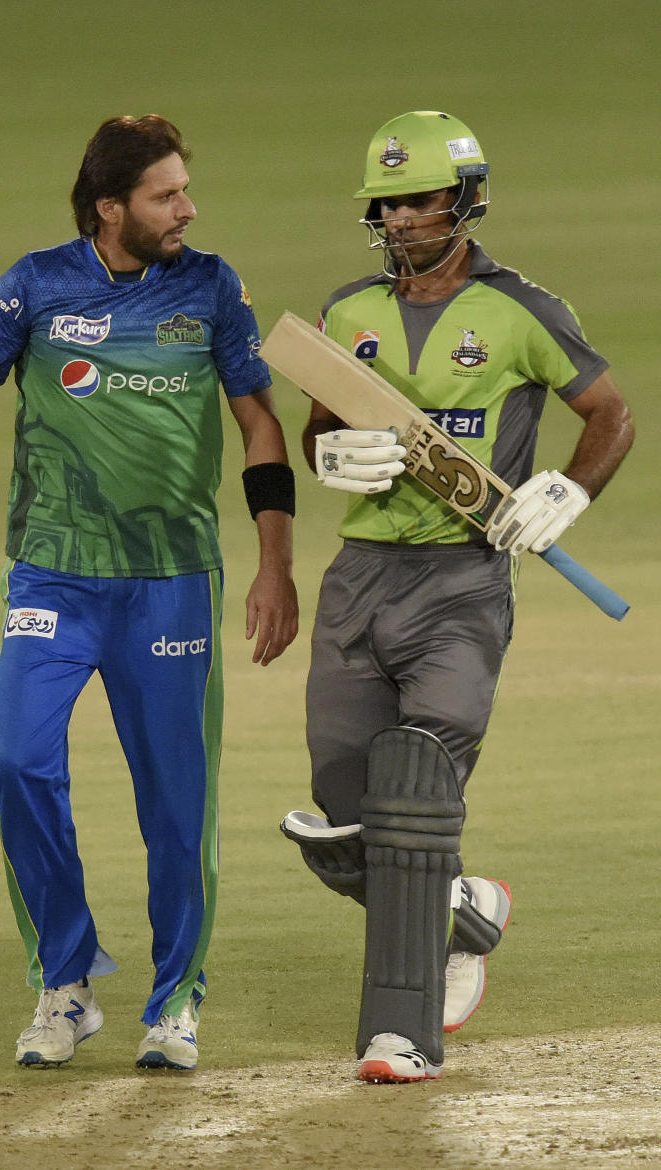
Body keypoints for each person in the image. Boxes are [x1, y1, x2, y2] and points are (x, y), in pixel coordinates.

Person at [0, 115, 299, 1071]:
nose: (188, 208)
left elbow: (261, 427)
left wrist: (275, 565)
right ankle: (66, 981)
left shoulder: (211, 288)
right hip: (53, 573)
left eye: (185, 189)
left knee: (176, 802)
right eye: (166, 195)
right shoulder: (33, 285)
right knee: (18, 761)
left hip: (171, 582)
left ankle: (176, 1000)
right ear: (110, 208)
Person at [280, 110, 633, 1084]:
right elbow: (319, 431)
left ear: (467, 201)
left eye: (419, 199)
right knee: (346, 806)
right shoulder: (350, 312)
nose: (399, 218)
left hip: (463, 586)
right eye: (385, 202)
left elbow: (611, 415)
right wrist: (332, 457)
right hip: (359, 579)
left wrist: (568, 490)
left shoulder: (522, 312)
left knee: (418, 787)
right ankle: (461, 912)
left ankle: (401, 1032)